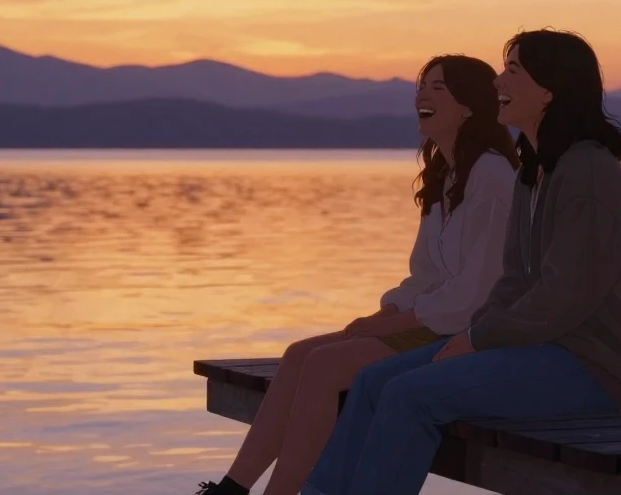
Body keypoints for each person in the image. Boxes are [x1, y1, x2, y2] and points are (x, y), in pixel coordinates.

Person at [301, 28, 621, 495]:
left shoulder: (587, 175)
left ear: (549, 89)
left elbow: (561, 298)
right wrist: (474, 336)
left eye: (512, 71)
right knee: (372, 382)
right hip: (534, 347)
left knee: (410, 394)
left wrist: (477, 339)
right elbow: (513, 282)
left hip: (589, 365)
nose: (497, 83)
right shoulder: (534, 171)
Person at [195, 55, 520, 495]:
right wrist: (387, 312)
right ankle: (232, 488)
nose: (422, 95)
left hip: (470, 332)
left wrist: (394, 324)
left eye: (438, 88)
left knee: (325, 365)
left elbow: (476, 292)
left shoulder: (492, 175)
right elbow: (425, 275)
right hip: (435, 320)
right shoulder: (447, 175)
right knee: (299, 354)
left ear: (467, 106)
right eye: (421, 86)